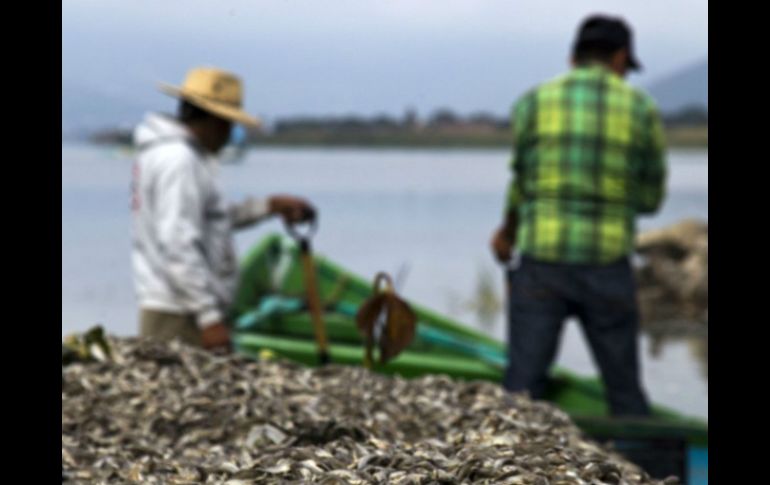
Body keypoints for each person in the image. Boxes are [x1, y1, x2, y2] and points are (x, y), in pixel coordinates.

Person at [490, 15, 667, 416]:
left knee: (521, 391)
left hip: (541, 263)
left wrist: (506, 234)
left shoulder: (535, 101)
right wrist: (614, 200)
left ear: (573, 58)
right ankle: (647, 472)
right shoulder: (641, 108)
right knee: (624, 392)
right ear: (621, 58)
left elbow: (522, 185)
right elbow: (651, 198)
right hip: (607, 266)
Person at [131, 67, 315, 350]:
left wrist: (269, 207)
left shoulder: (175, 155)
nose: (230, 133)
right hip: (179, 313)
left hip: (179, 306)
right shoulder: (180, 161)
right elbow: (176, 244)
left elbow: (209, 219)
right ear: (214, 120)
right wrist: (209, 318)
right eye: (229, 124)